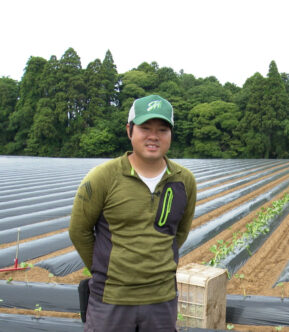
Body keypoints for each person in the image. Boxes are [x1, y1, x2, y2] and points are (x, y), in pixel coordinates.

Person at [69, 95, 196, 331]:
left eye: (162, 129)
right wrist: (107, 271)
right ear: (129, 130)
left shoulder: (184, 180)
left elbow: (180, 232)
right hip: (111, 300)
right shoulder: (103, 177)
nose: (153, 136)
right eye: (145, 128)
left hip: (162, 299)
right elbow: (79, 231)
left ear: (171, 134)